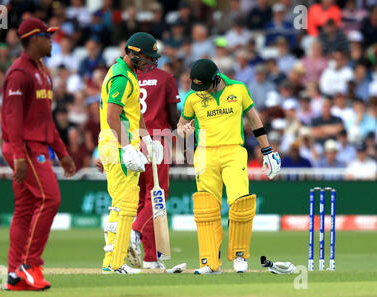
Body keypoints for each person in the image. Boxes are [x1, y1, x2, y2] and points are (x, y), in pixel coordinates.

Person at [177, 59, 281, 274]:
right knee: (207, 209)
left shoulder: (239, 89)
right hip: (205, 155)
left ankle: (240, 255)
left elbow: (255, 122)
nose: (201, 91)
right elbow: (180, 125)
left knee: (241, 203)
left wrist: (267, 151)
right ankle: (209, 262)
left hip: (234, 151)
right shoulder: (193, 97)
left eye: (204, 86)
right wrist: (183, 131)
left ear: (216, 78)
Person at [1, 18, 76, 291]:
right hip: (25, 148)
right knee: (50, 198)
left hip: (37, 146)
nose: (51, 40)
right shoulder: (19, 73)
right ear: (33, 39)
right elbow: (13, 117)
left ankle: (13, 275)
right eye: (47, 36)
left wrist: (62, 152)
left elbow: (45, 118)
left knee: (24, 210)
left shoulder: (43, 71)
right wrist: (19, 154)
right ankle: (29, 264)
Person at [99, 32, 163, 274]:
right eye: (148, 57)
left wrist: (147, 139)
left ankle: (114, 262)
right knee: (123, 205)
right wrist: (126, 146)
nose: (151, 63)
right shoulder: (122, 78)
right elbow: (112, 116)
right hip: (117, 145)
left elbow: (133, 115)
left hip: (120, 143)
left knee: (123, 204)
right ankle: (114, 264)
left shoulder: (128, 75)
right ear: (134, 53)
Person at [127, 52, 180, 270]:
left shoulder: (129, 77)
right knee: (159, 195)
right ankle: (135, 231)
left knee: (142, 199)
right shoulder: (166, 78)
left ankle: (150, 258)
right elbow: (173, 116)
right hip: (159, 140)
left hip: (132, 140)